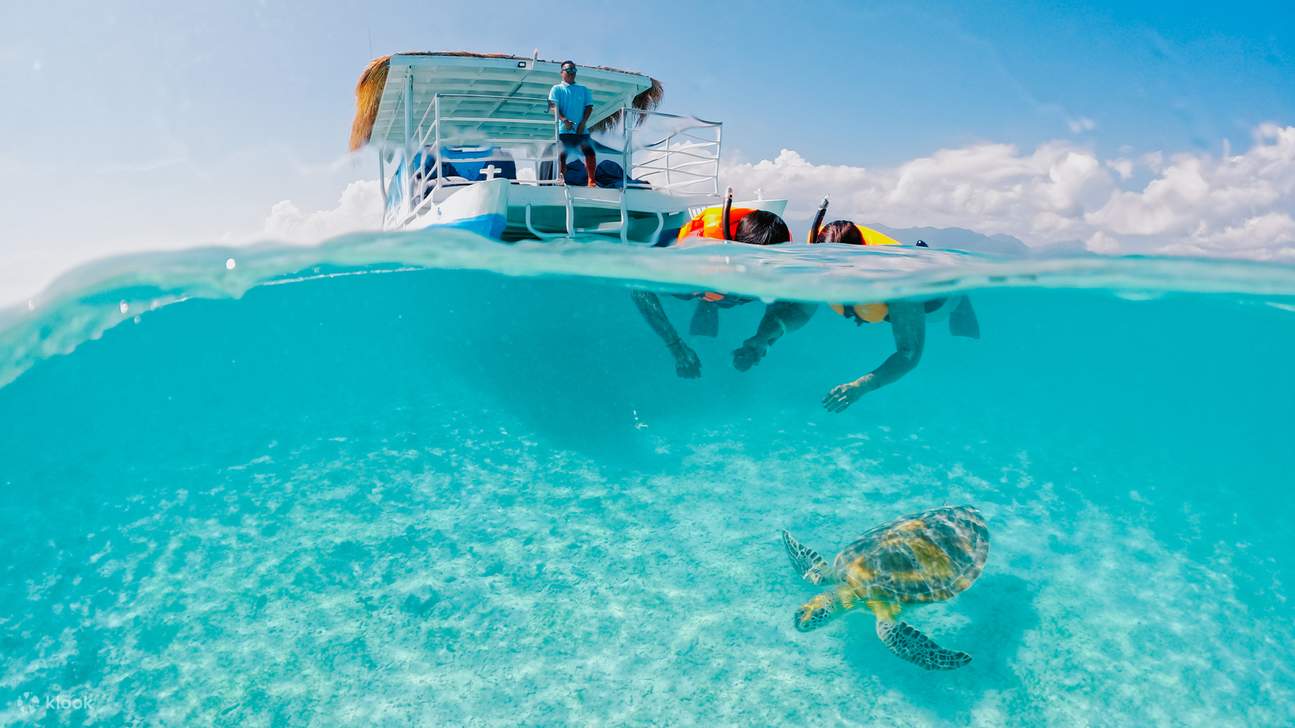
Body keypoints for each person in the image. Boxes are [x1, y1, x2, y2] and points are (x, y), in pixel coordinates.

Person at [808, 219, 980, 412]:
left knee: (961, 337)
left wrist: (859, 387)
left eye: (841, 274)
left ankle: (962, 302)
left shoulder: (899, 286)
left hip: (941, 303)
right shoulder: (821, 255)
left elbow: (909, 355)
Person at [632, 209, 814, 378]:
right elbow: (638, 288)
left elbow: (804, 308)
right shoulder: (680, 259)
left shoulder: (780, 271)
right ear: (733, 252)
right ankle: (708, 302)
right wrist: (675, 345)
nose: (762, 275)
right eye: (756, 267)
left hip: (723, 293)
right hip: (698, 286)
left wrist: (763, 337)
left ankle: (711, 303)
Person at [548, 61, 597, 187]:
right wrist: (564, 120)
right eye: (568, 71)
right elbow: (553, 106)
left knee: (590, 152)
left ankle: (592, 181)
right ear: (562, 73)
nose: (571, 73)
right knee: (562, 154)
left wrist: (582, 123)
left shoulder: (583, 89)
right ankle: (561, 179)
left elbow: (589, 107)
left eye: (573, 71)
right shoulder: (556, 89)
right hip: (564, 130)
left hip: (581, 130)